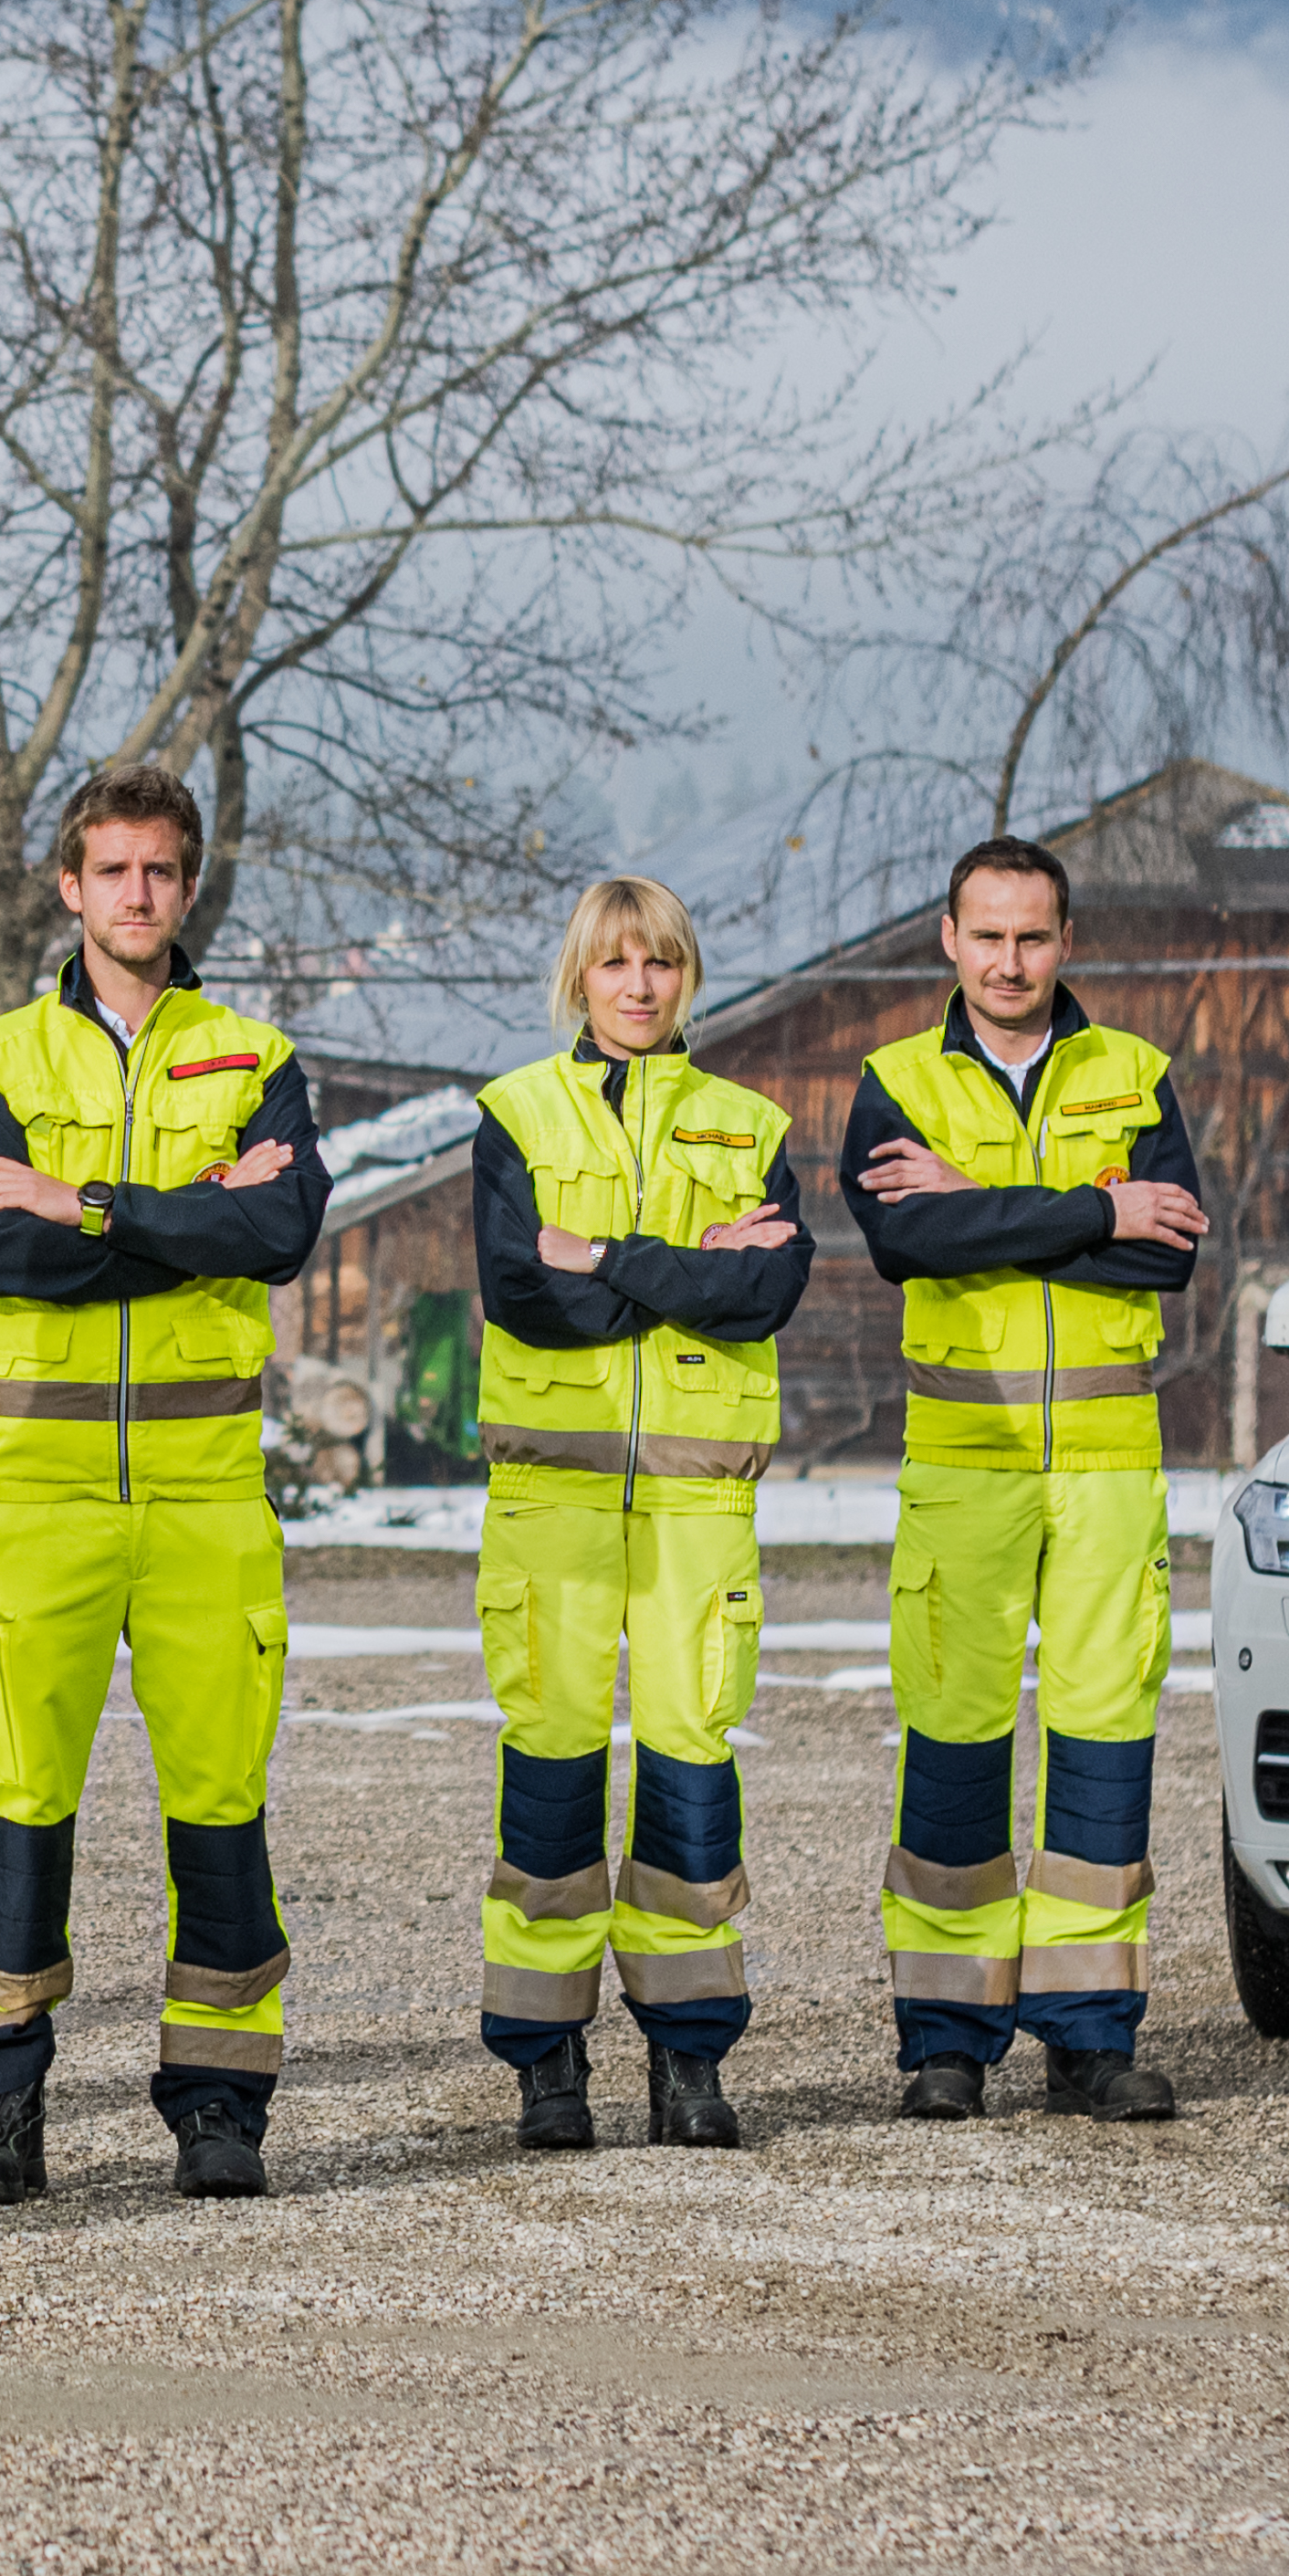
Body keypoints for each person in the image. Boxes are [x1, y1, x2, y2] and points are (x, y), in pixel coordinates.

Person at [0, 763, 330, 2205]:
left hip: (209, 1494)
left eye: (162, 871)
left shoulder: (254, 1052)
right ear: (70, 889)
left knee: (219, 1805)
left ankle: (220, 2109)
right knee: (17, 1803)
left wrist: (83, 1201)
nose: (138, 895)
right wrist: (184, 1219)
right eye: (114, 872)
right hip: (39, 1492)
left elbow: (277, 1231)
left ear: (189, 884)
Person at [838, 832, 1208, 2124]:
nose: (1009, 961)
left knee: (1105, 1741)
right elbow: (906, 1239)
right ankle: (946, 2039)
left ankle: (1090, 2036)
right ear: (949, 938)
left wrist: (990, 1203)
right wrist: (1096, 1209)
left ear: (1067, 943)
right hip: (967, 1464)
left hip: (1111, 1469)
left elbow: (1167, 1258)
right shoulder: (892, 1084)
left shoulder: (1136, 1075)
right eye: (986, 936)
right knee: (955, 1742)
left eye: (1033, 936)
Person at [468, 875, 816, 2153]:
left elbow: (767, 1289)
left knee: (689, 1768)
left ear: (688, 977)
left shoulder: (749, 1122)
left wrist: (603, 1254)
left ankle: (687, 2062)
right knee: (551, 1775)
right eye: (616, 964)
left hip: (697, 1500)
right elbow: (521, 1293)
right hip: (551, 1504)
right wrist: (686, 1264)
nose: (639, 986)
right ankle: (546, 2064)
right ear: (579, 976)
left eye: (661, 962)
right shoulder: (513, 1115)